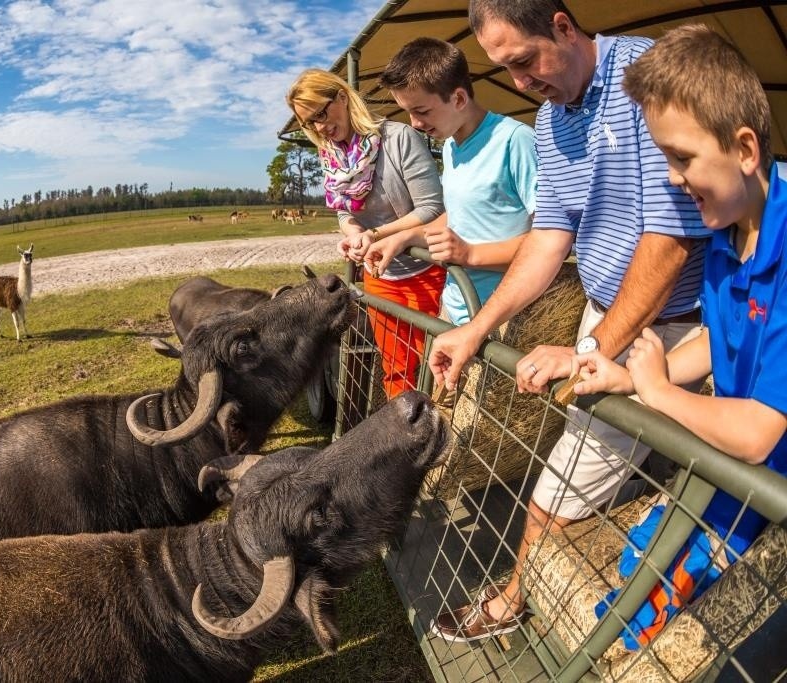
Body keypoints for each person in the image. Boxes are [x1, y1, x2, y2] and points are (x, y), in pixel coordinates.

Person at [426, 0, 711, 643]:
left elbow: (671, 238)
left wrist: (592, 351)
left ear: (562, 24)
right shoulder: (552, 121)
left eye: (524, 61)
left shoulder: (653, 76)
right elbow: (549, 238)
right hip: (613, 322)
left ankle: (515, 600)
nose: (522, 82)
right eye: (506, 70)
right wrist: (479, 327)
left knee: (559, 485)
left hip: (674, 327)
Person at [571, 23, 786, 648]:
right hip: (741, 473)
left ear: (744, 148)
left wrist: (660, 396)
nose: (670, 178)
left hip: (767, 482)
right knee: (646, 558)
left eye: (682, 158)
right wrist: (625, 377)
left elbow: (756, 434)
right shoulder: (730, 226)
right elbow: (723, 343)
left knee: (664, 609)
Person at [286, 69, 446, 399]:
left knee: (435, 369)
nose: (319, 127)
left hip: (427, 273)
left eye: (320, 113)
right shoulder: (332, 155)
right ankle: (405, 441)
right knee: (395, 368)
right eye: (309, 122)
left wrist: (374, 234)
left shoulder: (399, 138)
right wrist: (353, 232)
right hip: (381, 276)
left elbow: (431, 208)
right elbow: (344, 211)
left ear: (342, 97)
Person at [369, 36, 537, 328]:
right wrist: (403, 238)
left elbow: (549, 242)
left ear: (458, 98)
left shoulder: (515, 141)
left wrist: (470, 254)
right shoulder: (450, 146)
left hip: (506, 319)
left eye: (421, 111)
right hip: (456, 308)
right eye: (408, 112)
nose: (414, 123)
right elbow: (460, 215)